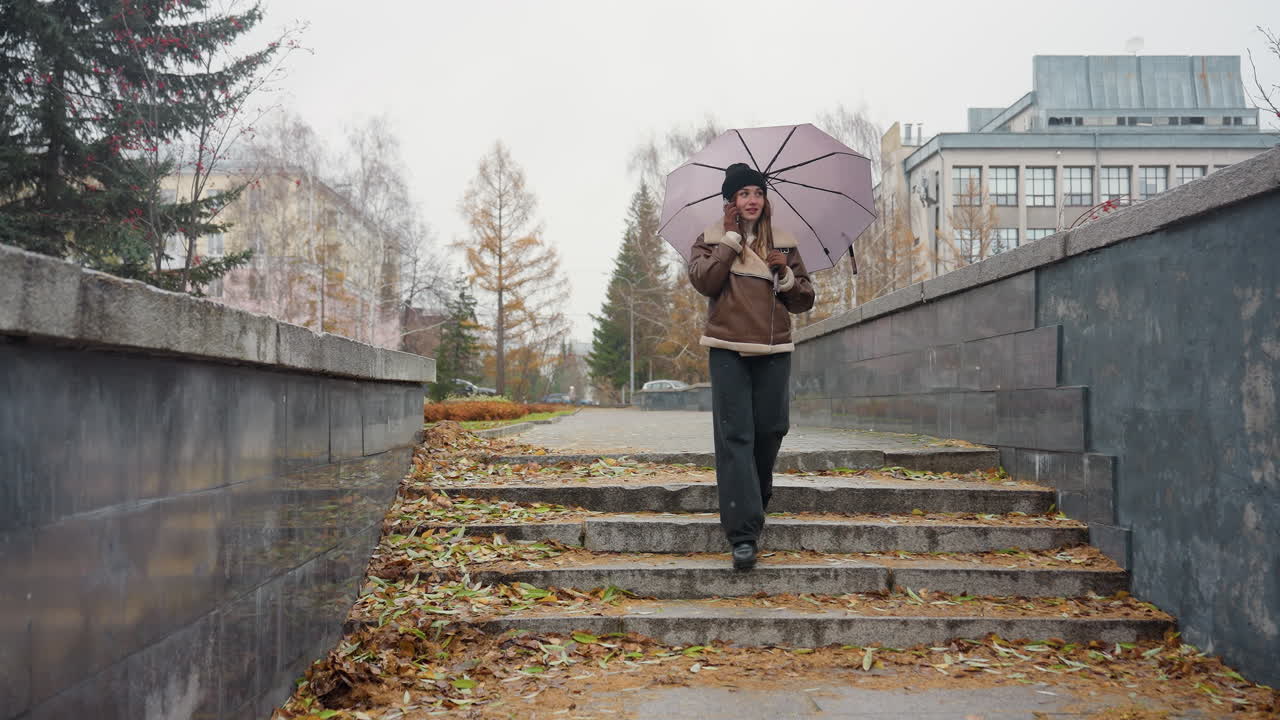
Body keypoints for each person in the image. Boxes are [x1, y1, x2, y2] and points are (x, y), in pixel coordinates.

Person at [687, 163, 815, 570]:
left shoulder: (785, 244)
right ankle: (743, 534)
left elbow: (805, 299)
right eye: (743, 194)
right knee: (736, 435)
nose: (751, 200)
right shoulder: (709, 240)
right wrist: (729, 241)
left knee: (772, 428)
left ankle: (754, 500)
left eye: (756, 193)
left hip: (775, 348)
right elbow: (705, 282)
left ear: (765, 199)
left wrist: (785, 275)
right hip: (727, 347)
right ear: (731, 202)